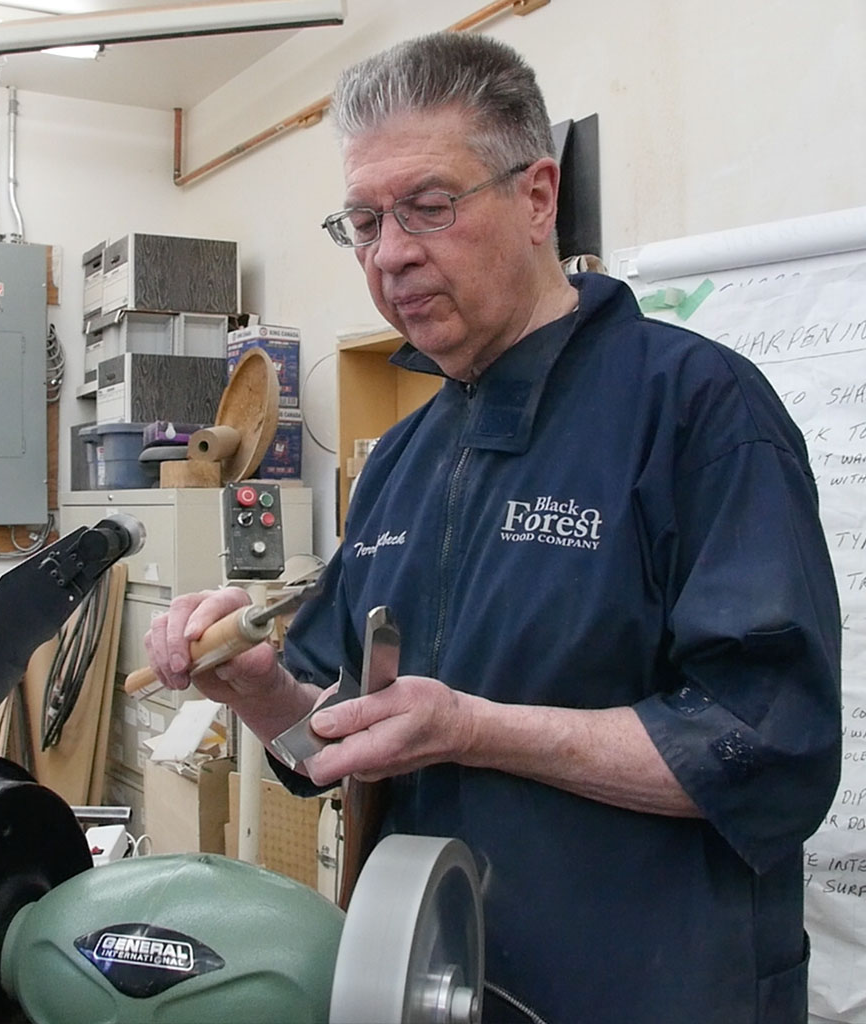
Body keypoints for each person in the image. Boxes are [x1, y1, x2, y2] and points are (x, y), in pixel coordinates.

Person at [145, 32, 842, 1024]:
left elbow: (767, 744)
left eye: (427, 206)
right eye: (363, 221)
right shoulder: (397, 460)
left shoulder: (697, 410)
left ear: (536, 196)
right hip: (430, 989)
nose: (390, 253)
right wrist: (260, 689)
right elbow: (327, 741)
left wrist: (476, 730)